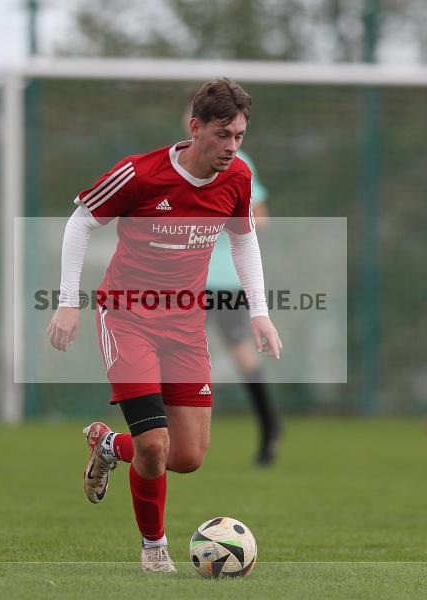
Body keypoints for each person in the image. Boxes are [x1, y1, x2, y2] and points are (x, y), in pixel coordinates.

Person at [47, 78, 282, 572]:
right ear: (196, 128)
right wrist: (68, 302)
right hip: (127, 317)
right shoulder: (140, 173)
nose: (232, 147)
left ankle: (108, 444)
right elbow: (80, 221)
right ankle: (154, 548)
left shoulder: (237, 178)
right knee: (154, 445)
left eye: (239, 136)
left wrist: (259, 311)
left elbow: (243, 240)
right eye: (223, 135)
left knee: (189, 455)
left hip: (185, 327)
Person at [204, 150, 281, 466]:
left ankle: (269, 427)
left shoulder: (238, 162)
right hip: (186, 280)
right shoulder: (180, 159)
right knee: (171, 354)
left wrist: (221, 217)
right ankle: (164, 438)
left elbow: (261, 218)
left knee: (242, 355)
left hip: (227, 281)